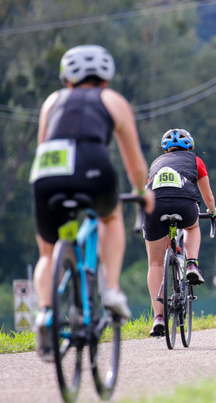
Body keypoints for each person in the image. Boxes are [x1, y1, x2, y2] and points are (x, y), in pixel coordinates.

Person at [29, 44, 155, 360]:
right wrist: (142, 192)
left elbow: (43, 145)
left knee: (47, 251)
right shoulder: (113, 100)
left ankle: (45, 314)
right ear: (105, 79)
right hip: (92, 166)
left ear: (67, 80)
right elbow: (135, 165)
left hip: (48, 172)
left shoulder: (52, 101)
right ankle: (111, 290)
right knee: (111, 217)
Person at [143, 128, 216, 336]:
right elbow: (208, 197)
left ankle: (159, 318)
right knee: (192, 227)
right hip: (184, 205)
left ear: (166, 150)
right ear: (190, 147)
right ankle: (192, 264)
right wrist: (213, 211)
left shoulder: (156, 163)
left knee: (155, 263)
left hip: (154, 206)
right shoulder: (195, 160)